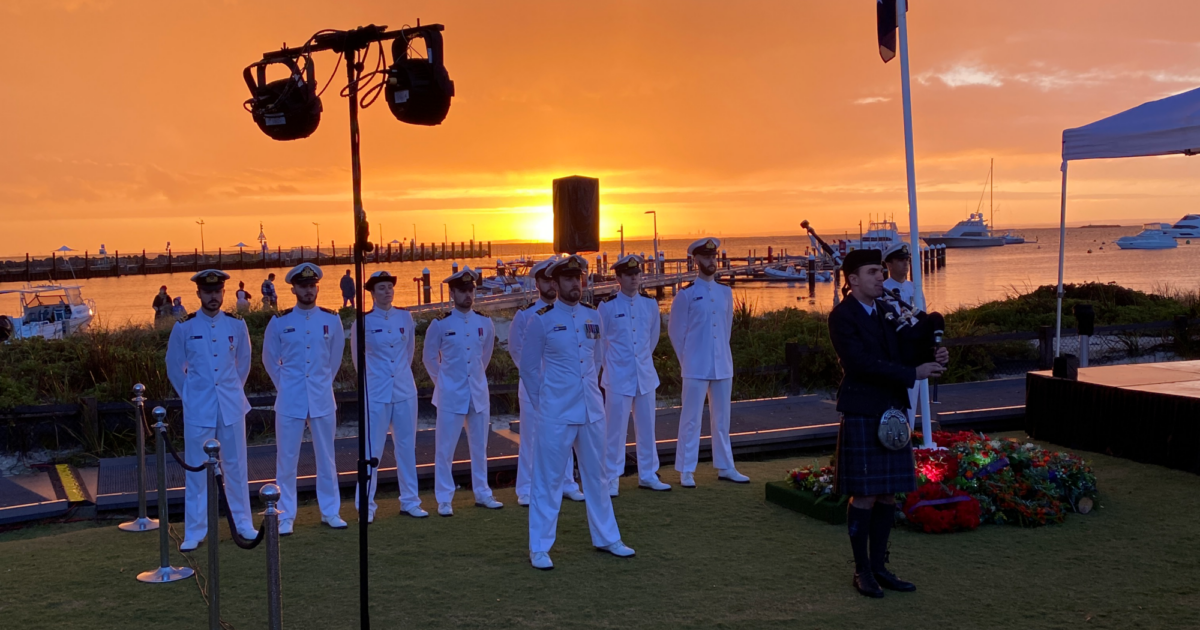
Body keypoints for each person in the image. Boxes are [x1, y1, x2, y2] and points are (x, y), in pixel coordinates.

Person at [828, 248, 949, 598]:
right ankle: (861, 570)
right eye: (872, 272)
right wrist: (913, 373)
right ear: (852, 280)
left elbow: (906, 350)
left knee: (886, 494)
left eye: (881, 271)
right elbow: (860, 363)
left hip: (892, 408)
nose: (881, 276)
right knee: (865, 494)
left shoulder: (887, 309)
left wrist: (933, 352)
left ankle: (880, 566)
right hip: (864, 409)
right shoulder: (842, 316)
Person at [520, 255, 635, 570]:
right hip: (555, 411)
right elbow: (529, 369)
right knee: (548, 480)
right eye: (568, 279)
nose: (575, 283)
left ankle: (607, 537)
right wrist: (544, 403)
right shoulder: (540, 320)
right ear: (554, 284)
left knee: (598, 477)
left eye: (578, 278)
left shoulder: (593, 316)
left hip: (591, 409)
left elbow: (596, 359)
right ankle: (540, 547)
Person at [165, 269, 257, 551]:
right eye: (208, 292)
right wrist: (192, 396)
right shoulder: (184, 327)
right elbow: (174, 367)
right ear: (199, 294)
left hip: (230, 405)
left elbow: (243, 363)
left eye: (217, 291)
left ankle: (243, 522)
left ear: (224, 293)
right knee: (197, 469)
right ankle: (195, 529)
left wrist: (230, 390)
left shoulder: (236, 325)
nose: (213, 296)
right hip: (199, 407)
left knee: (236, 466)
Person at [262, 262, 348, 535]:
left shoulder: (331, 319)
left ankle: (330, 511)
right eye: (303, 286)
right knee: (286, 460)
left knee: (327, 458)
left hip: (322, 398)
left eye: (312, 286)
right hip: (290, 399)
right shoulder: (280, 321)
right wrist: (287, 385)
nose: (308, 290)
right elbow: (270, 360)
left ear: (317, 287)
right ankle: (285, 515)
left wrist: (320, 383)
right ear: (294, 288)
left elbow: (334, 360)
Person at [668, 237, 749, 487]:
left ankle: (726, 466)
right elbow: (676, 333)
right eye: (706, 257)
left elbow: (726, 329)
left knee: (722, 418)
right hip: (695, 365)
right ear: (696, 260)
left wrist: (718, 354)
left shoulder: (726, 292)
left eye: (714, 257)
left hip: (722, 363)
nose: (711, 261)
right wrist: (689, 360)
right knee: (691, 418)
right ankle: (686, 469)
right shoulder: (687, 295)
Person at [422, 267, 502, 516]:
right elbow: (429, 358)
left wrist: (471, 379)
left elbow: (484, 356)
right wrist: (444, 382)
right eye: (463, 291)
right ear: (453, 293)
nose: (468, 295)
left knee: (480, 447)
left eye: (471, 290)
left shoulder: (484, 322)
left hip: (477, 393)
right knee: (445, 449)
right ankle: (444, 498)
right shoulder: (440, 324)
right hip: (450, 394)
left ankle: (483, 493)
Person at [507, 256, 585, 506]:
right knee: (531, 438)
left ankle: (567, 482)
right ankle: (526, 487)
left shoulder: (570, 313)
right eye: (544, 280)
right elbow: (519, 352)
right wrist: (538, 382)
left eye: (552, 280)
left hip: (562, 388)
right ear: (538, 284)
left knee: (565, 437)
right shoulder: (527, 315)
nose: (550, 285)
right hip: (535, 387)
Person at [350, 271, 427, 521]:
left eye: (389, 287)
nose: (387, 292)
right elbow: (357, 361)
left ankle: (410, 501)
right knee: (372, 451)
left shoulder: (405, 317)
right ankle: (366, 505)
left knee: (406, 448)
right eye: (381, 288)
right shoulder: (362, 322)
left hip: (404, 390)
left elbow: (408, 353)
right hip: (376, 391)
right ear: (371, 293)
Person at [598, 254, 670, 494]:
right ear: (618, 278)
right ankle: (611, 478)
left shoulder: (649, 304)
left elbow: (652, 338)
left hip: (645, 375)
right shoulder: (607, 306)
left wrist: (639, 361)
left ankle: (648, 474)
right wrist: (612, 366)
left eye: (637, 274)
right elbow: (600, 343)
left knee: (647, 427)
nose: (634, 279)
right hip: (618, 377)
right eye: (628, 275)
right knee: (615, 431)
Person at [881, 242, 919, 429]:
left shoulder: (914, 288)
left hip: (913, 346)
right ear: (888, 264)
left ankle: (911, 431)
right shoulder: (883, 289)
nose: (905, 264)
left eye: (907, 260)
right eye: (900, 260)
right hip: (894, 347)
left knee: (915, 395)